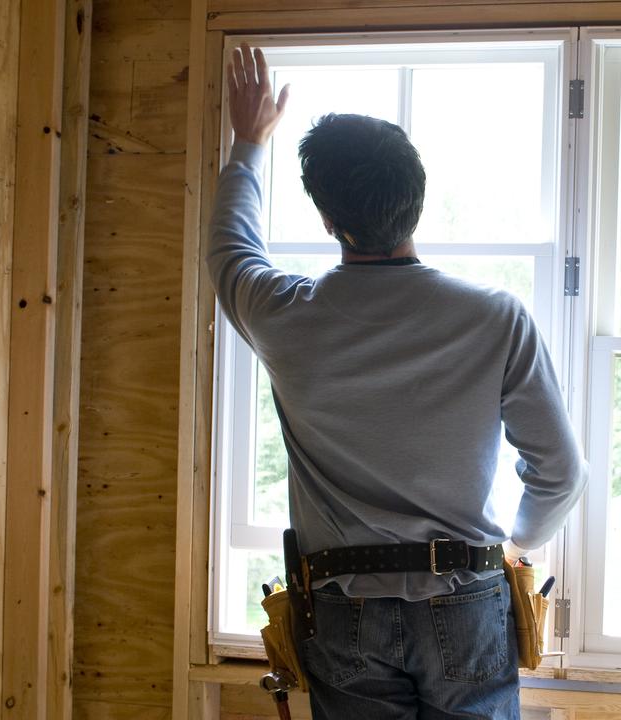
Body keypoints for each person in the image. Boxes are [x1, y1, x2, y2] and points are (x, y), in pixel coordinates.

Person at [209, 44, 587, 719]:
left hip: (343, 603)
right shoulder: (496, 318)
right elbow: (559, 471)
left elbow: (230, 251)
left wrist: (248, 144)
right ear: (415, 203)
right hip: (466, 596)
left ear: (329, 221)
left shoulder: (287, 317)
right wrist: (517, 545)